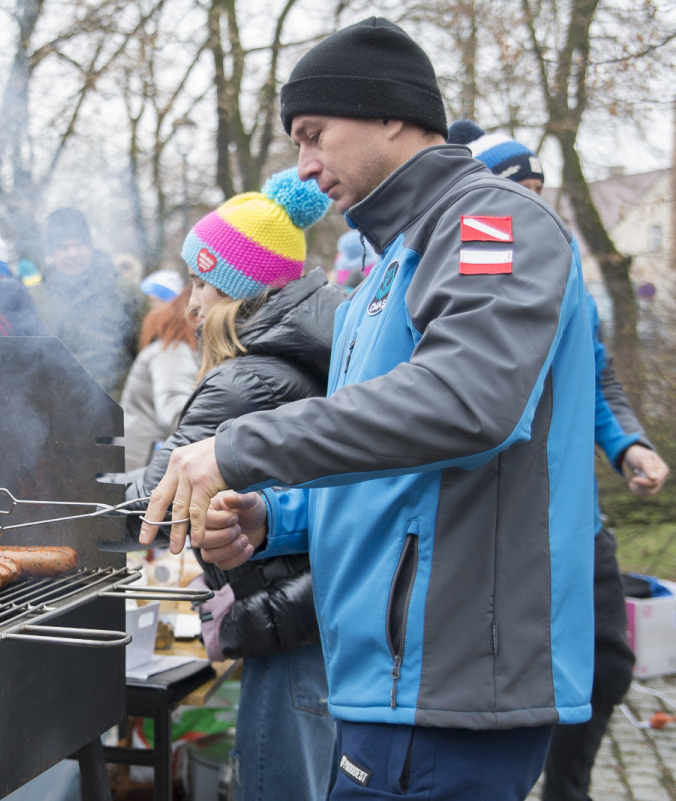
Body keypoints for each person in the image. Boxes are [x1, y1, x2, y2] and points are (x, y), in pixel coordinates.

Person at [141, 17, 596, 800]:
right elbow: (383, 459)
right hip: (384, 676)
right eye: (295, 143)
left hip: (451, 681)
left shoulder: (491, 223)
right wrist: (272, 517)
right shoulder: (386, 267)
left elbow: (466, 402)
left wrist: (239, 448)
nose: (305, 168)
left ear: (391, 113)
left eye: (315, 135)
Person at [449, 120, 672, 801]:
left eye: (542, 191)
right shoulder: (469, 259)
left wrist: (628, 442)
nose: (535, 207)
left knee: (608, 665)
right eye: (521, 192)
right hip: (497, 518)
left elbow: (596, 375)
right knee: (493, 683)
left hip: (579, 512)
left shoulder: (566, 257)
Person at [126, 168, 342, 801]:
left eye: (204, 281)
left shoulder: (241, 380)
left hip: (290, 626)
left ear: (241, 290)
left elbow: (153, 503)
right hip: (310, 610)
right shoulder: (306, 354)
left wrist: (66, 511)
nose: (190, 303)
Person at [30, 207, 144, 397]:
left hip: (117, 405)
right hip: (62, 410)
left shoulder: (123, 291)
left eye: (79, 245)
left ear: (90, 245)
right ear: (52, 252)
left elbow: (146, 350)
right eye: (64, 247)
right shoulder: (38, 299)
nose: (73, 254)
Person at [119, 270, 198, 472]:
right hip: (138, 459)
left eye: (152, 302)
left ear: (171, 306)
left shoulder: (171, 351)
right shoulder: (168, 348)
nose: (146, 310)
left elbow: (174, 413)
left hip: (143, 464)